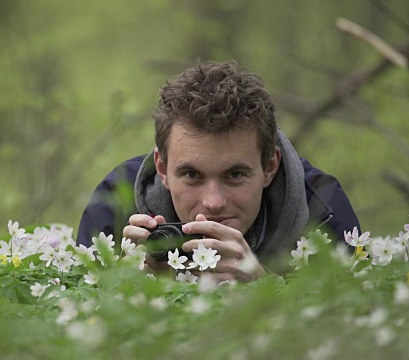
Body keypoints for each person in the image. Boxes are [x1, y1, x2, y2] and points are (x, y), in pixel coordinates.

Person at [76, 60, 360, 282]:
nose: (213, 202)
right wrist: (127, 295)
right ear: (162, 168)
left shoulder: (322, 209)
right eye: (191, 175)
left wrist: (263, 289)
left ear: (269, 166)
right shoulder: (114, 205)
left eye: (235, 175)